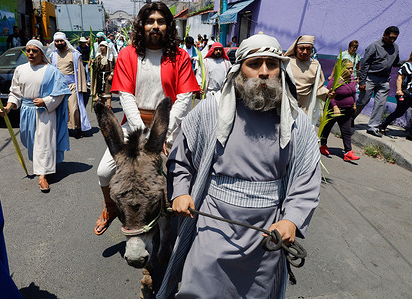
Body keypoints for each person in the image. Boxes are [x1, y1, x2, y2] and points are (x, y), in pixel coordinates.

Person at [157, 33, 321, 299]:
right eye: (255, 64)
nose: (264, 72)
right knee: (199, 288)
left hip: (267, 232)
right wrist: (180, 191)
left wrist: (291, 219)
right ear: (239, 70)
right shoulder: (211, 111)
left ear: (281, 69)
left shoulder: (296, 122)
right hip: (214, 225)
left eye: (272, 64)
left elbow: (306, 179)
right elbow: (181, 157)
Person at [94, 1, 200, 235]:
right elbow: (126, 96)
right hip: (135, 127)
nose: (155, 26)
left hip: (169, 126)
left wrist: (163, 133)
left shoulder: (180, 56)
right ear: (142, 26)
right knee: (103, 171)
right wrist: (145, 134)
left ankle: (178, 221)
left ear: (168, 26)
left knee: (180, 173)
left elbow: (184, 97)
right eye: (150, 21)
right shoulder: (127, 54)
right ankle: (111, 208)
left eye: (160, 22)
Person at [0, 40, 71, 191]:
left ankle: (42, 176)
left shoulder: (51, 71)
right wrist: (8, 107)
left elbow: (60, 93)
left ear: (41, 53)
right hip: (26, 111)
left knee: (44, 143)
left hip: (45, 112)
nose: (30, 53)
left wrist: (45, 101)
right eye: (28, 50)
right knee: (30, 141)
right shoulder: (20, 69)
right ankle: (41, 168)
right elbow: (15, 92)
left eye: (34, 51)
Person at [355, 26, 400, 137]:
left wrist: (408, 62)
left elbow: (395, 63)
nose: (392, 40)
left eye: (395, 38)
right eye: (390, 37)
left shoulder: (395, 47)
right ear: (384, 34)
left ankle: (373, 127)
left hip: (384, 80)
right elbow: (365, 65)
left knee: (380, 104)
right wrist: (362, 81)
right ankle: (349, 119)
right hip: (370, 78)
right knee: (362, 101)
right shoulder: (374, 46)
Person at [48, 32, 91, 139]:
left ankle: (78, 127)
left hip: (72, 86)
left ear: (65, 41)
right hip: (58, 87)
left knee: (74, 108)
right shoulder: (52, 55)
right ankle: (65, 129)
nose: (59, 43)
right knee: (62, 110)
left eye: (61, 41)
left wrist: (82, 87)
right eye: (57, 41)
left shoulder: (74, 54)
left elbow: (81, 71)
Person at [320, 59, 360, 161]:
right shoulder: (334, 81)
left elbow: (353, 93)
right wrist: (335, 107)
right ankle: (323, 146)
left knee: (346, 131)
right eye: (348, 68)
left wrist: (354, 104)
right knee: (326, 128)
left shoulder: (351, 79)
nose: (351, 70)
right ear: (341, 69)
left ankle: (348, 152)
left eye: (352, 68)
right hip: (334, 109)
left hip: (347, 110)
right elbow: (329, 95)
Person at [285, 35, 329, 125]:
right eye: (302, 48)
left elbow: (318, 87)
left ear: (312, 49)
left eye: (308, 49)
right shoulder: (287, 62)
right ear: (296, 48)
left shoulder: (315, 65)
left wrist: (328, 93)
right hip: (286, 106)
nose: (305, 52)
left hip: (304, 107)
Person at [379, 51, 412, 140]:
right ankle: (383, 125)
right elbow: (400, 79)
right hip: (407, 94)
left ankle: (411, 134)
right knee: (399, 112)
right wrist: (399, 90)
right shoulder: (407, 65)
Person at [93, 41, 115, 109]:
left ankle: (108, 107)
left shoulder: (111, 57)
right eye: (100, 46)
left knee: (108, 92)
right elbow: (96, 67)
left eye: (103, 46)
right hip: (100, 76)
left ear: (106, 47)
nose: (101, 48)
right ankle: (103, 108)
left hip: (108, 76)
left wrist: (111, 75)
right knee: (101, 92)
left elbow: (114, 67)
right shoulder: (98, 57)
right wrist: (93, 64)